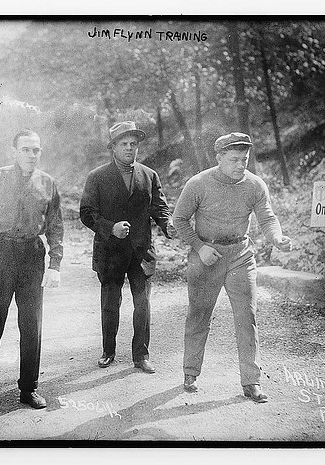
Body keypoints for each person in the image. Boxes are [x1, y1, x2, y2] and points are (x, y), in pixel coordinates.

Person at [172, 132, 292, 403]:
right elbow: (179, 220)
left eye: (245, 159)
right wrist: (200, 247)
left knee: (247, 317)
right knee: (199, 314)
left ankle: (252, 382)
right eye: (234, 159)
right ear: (219, 158)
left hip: (241, 255)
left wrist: (277, 238)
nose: (241, 165)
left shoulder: (255, 185)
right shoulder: (198, 184)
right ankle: (190, 372)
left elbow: (267, 218)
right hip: (206, 256)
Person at [0, 129, 63, 412]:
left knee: (32, 324)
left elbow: (56, 226)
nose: (31, 155)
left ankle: (28, 388)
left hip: (32, 255)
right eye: (25, 149)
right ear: (14, 151)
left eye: (36, 150)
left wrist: (55, 264)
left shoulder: (47, 183)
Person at [80, 121, 173, 373]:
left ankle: (141, 355)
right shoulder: (97, 177)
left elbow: (159, 208)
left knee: (142, 303)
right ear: (113, 147)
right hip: (110, 252)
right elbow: (87, 213)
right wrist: (111, 228)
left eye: (133, 144)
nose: (130, 149)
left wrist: (168, 224)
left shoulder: (149, 175)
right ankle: (108, 351)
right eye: (124, 144)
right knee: (110, 303)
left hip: (141, 252)